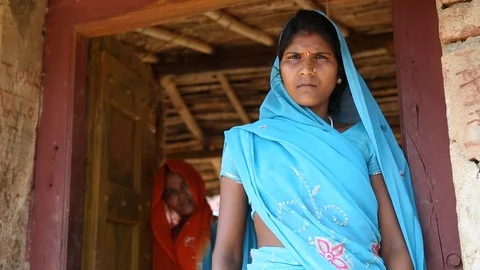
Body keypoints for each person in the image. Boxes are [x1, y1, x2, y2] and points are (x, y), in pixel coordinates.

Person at [213, 10, 425, 270]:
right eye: (294, 57)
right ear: (280, 70)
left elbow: (394, 246)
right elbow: (226, 254)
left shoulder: (362, 141)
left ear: (340, 72)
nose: (307, 68)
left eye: (321, 57)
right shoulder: (246, 144)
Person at [151, 159, 215, 270]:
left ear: (196, 183)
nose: (181, 194)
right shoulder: (167, 239)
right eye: (171, 192)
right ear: (165, 200)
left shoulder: (222, 228)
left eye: (184, 185)